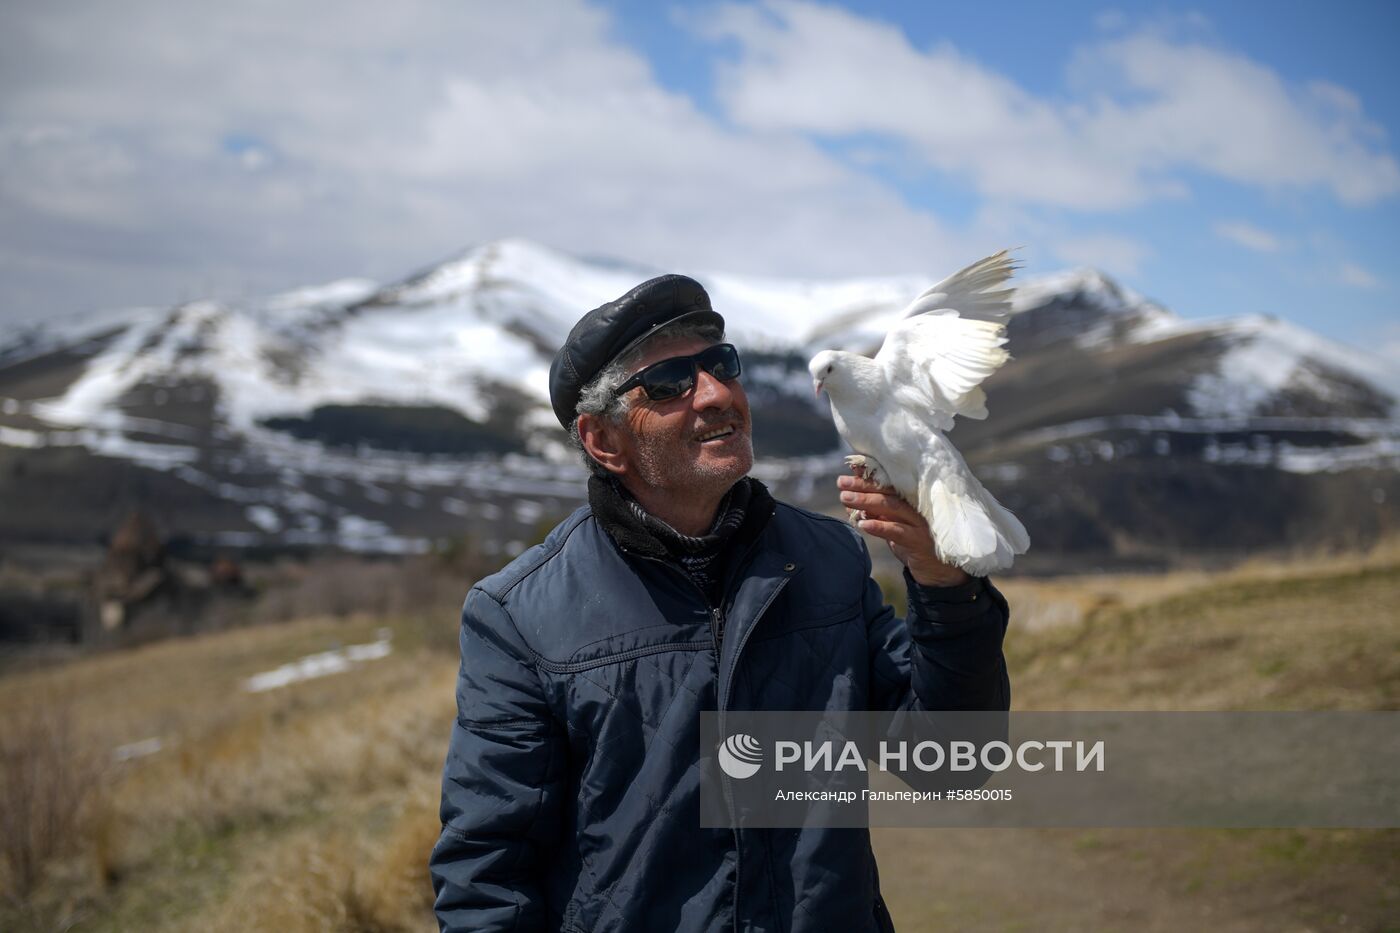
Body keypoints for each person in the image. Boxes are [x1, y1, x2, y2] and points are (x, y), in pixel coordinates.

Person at [429, 274, 1011, 932]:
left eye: (720, 364)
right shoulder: (520, 616)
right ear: (604, 440)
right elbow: (487, 874)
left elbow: (950, 762)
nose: (713, 393)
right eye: (671, 382)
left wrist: (943, 586)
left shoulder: (830, 560)